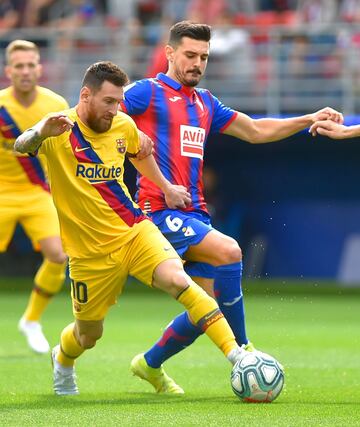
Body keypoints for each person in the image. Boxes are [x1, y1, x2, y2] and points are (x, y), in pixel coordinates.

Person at [120, 20, 344, 394]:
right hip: (156, 211)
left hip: (193, 213)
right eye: (190, 55)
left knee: (207, 307)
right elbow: (102, 109)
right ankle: (243, 349)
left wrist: (309, 118)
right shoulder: (147, 92)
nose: (197, 63)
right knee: (230, 249)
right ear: (170, 53)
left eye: (203, 57)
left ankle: (148, 364)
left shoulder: (205, 103)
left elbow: (255, 130)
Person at [14, 61, 250, 396]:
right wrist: (39, 133)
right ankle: (63, 360)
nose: (116, 109)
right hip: (88, 254)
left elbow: (140, 153)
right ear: (86, 95)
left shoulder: (122, 124)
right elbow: (20, 145)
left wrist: (166, 186)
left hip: (134, 230)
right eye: (109, 101)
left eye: (118, 101)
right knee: (88, 335)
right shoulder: (58, 128)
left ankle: (238, 356)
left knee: (178, 280)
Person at [0, 40, 69, 354]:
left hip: (37, 192)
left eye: (31, 65)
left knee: (58, 255)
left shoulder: (55, 105)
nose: (25, 71)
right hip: (1, 193)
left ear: (39, 69)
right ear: (8, 71)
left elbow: (68, 153)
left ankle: (31, 320)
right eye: (19, 66)